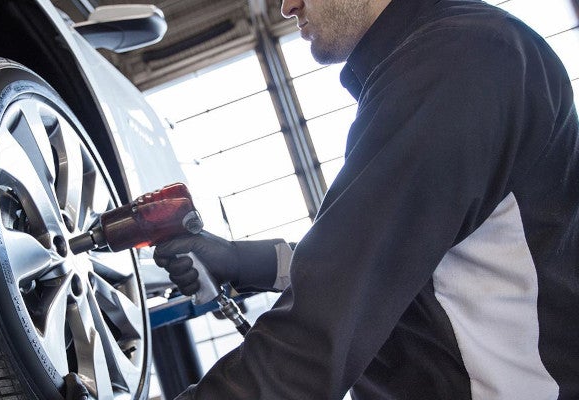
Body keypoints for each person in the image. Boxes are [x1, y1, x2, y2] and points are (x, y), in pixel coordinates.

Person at [152, 0, 579, 398]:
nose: (286, 6)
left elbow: (318, 333)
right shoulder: (447, 55)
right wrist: (244, 261)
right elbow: (403, 263)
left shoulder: (457, 61)